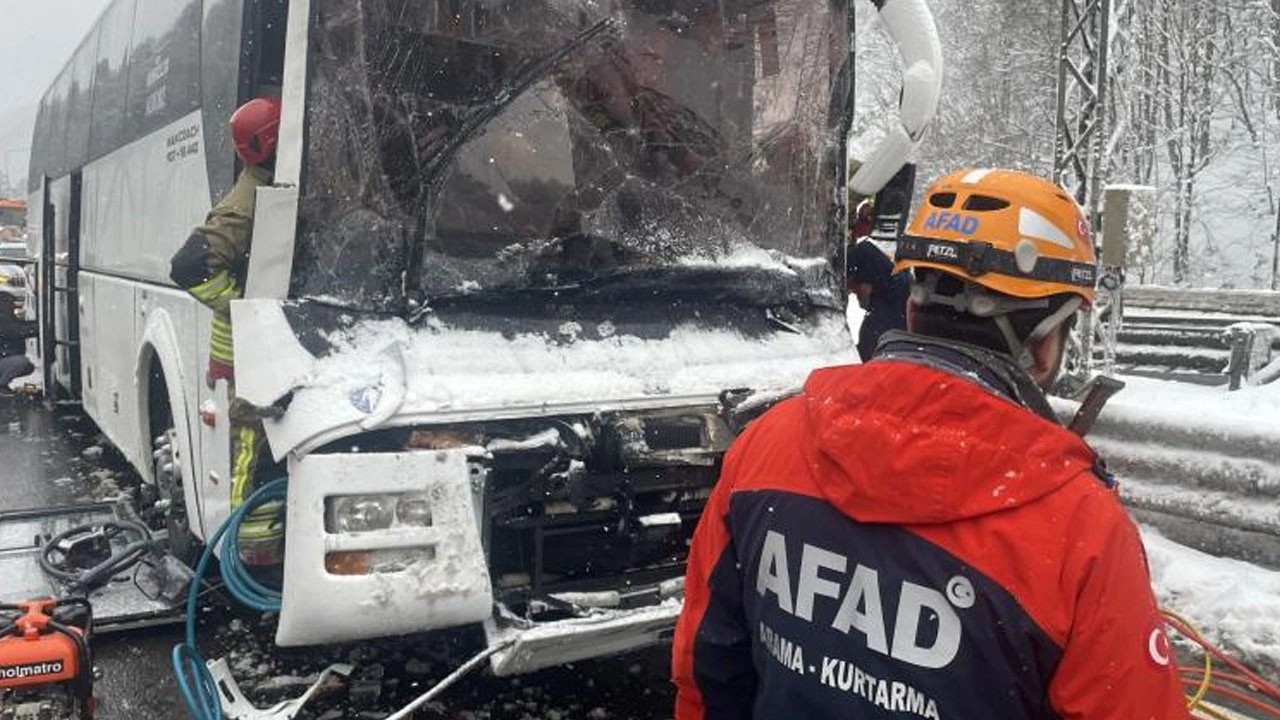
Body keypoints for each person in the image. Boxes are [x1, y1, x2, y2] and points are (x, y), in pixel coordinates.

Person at [672, 168, 1190, 720]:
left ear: (914, 307)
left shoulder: (768, 444)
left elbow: (708, 669)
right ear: (1042, 344)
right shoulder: (1080, 531)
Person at [169, 97, 281, 562]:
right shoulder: (245, 204)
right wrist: (243, 306)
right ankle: (251, 555)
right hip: (245, 351)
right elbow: (189, 267)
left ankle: (259, 544)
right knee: (249, 452)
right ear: (272, 142)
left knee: (257, 448)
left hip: (254, 350)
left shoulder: (265, 189)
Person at [847, 238, 909, 362]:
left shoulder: (881, 319)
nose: (854, 294)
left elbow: (867, 357)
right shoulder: (899, 282)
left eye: (854, 289)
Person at [0, 293, 36, 394]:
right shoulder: (2, 319)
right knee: (21, 362)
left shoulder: (5, 318)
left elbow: (19, 326)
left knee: (27, 366)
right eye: (11, 304)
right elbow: (17, 331)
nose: (13, 308)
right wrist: (40, 327)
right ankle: (1, 386)